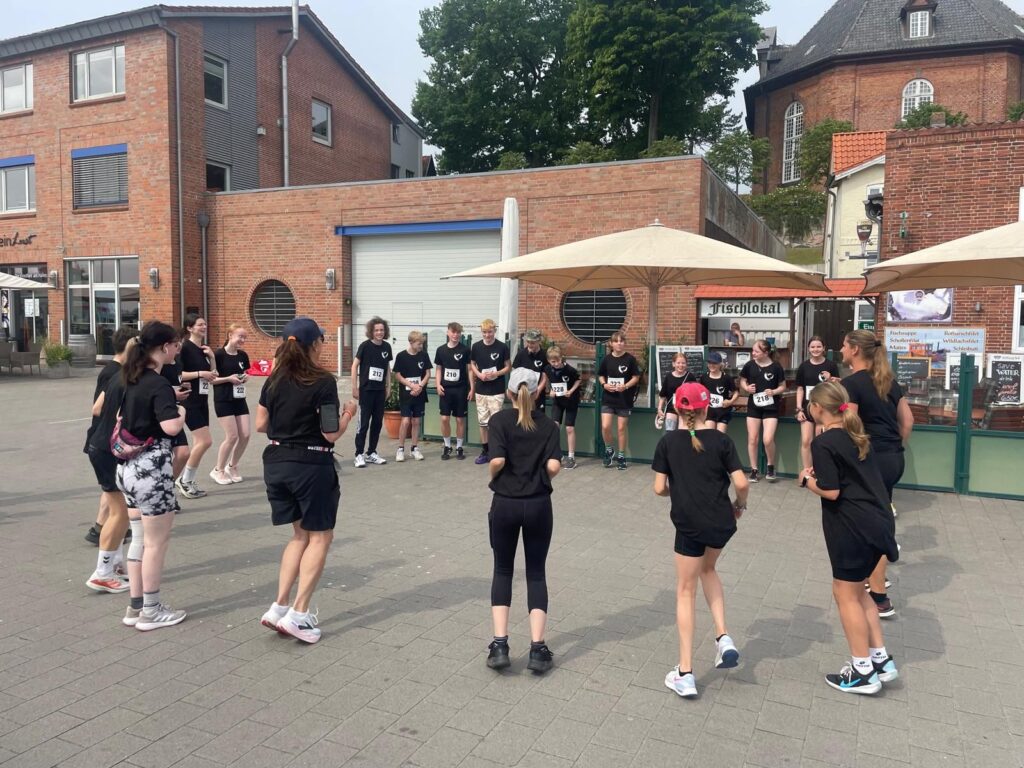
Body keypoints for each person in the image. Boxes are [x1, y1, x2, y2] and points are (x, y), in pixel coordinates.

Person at [256, 317, 357, 644]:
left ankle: (279, 606)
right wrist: (348, 414)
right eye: (321, 340)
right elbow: (330, 434)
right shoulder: (322, 381)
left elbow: (260, 424)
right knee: (320, 537)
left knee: (299, 535)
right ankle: (299, 615)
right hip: (310, 465)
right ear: (314, 344)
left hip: (276, 463)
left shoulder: (273, 380)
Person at [797, 381, 899, 694]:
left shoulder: (824, 443)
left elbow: (831, 490)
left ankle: (862, 671)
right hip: (878, 522)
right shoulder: (858, 435)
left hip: (852, 527)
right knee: (860, 592)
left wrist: (806, 481)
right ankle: (880, 660)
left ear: (817, 408)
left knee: (845, 595)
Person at [653, 382, 749, 699]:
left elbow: (659, 488)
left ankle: (685, 672)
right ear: (707, 408)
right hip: (721, 522)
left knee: (685, 591)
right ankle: (723, 636)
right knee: (709, 570)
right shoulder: (722, 440)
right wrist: (740, 505)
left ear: (677, 409)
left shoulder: (668, 442)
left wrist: (677, 490)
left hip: (689, 525)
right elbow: (741, 483)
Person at [485, 368, 562, 673]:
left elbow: (497, 460)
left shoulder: (499, 420)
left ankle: (500, 645)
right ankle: (538, 649)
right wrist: (541, 477)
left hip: (505, 503)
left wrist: (493, 476)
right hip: (538, 504)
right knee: (536, 573)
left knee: (503, 570)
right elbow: (554, 466)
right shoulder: (549, 425)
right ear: (537, 392)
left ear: (509, 393)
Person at [116, 320, 188, 631]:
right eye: (175, 345)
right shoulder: (158, 384)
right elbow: (171, 427)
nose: (177, 350)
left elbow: (121, 416)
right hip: (151, 471)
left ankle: (135, 606)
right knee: (156, 544)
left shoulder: (132, 377)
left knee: (139, 539)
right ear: (164, 347)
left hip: (127, 469)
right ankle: (151, 610)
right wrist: (180, 411)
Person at [840, 330, 913, 619]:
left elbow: (850, 426)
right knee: (880, 516)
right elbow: (907, 421)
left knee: (870, 522)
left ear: (855, 350)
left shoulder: (852, 383)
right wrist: (893, 447)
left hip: (870, 460)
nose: (841, 350)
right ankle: (875, 578)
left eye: (844, 345)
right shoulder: (889, 382)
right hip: (893, 458)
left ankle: (879, 596)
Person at [84, 326, 137, 593]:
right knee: (120, 513)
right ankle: (102, 572)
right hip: (107, 448)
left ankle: (113, 564)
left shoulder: (120, 374)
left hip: (102, 446)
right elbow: (98, 409)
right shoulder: (118, 375)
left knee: (118, 510)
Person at [175, 314, 219, 499]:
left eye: (205, 324)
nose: (204, 327)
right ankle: (184, 480)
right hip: (189, 400)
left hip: (202, 399)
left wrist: (212, 357)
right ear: (189, 328)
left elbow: (213, 375)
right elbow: (179, 374)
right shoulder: (184, 348)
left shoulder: (204, 349)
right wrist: (200, 373)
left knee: (199, 442)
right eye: (200, 324)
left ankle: (188, 480)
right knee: (205, 441)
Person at [739, 340, 786, 482]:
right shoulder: (749, 365)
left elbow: (783, 386)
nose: (753, 353)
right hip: (754, 406)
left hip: (771, 407)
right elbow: (742, 381)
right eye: (753, 350)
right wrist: (746, 388)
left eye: (756, 351)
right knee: (752, 439)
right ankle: (754, 469)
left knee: (767, 439)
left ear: (766, 353)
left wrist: (774, 391)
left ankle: (770, 466)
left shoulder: (776, 367)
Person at [211, 324, 251, 485]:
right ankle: (218, 469)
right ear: (230, 335)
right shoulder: (218, 355)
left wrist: (245, 377)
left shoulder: (243, 355)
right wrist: (228, 379)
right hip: (223, 399)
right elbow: (212, 379)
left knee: (245, 434)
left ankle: (232, 466)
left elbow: (245, 372)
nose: (243, 340)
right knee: (232, 436)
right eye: (240, 336)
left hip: (239, 399)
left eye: (244, 337)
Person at [351, 316, 393, 468]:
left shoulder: (387, 347)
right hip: (366, 391)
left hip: (379, 391)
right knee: (363, 424)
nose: (379, 332)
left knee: (377, 423)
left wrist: (389, 387)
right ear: (371, 331)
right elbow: (354, 366)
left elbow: (387, 368)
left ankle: (371, 452)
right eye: (376, 330)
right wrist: (354, 387)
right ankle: (359, 454)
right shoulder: (365, 346)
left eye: (382, 330)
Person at [796, 336, 841, 472]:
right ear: (808, 349)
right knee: (806, 441)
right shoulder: (804, 366)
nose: (815, 349)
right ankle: (807, 471)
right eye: (813, 347)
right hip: (808, 408)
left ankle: (820, 471)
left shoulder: (831, 365)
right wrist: (799, 409)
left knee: (821, 441)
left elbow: (838, 385)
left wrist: (830, 379)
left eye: (818, 347)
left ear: (823, 348)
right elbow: (800, 389)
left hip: (825, 409)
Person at [470, 318, 511, 465]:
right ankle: (485, 451)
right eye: (485, 332)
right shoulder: (476, 347)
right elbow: (472, 364)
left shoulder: (502, 347)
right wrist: (478, 374)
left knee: (496, 423)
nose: (487, 335)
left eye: (490, 332)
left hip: (497, 390)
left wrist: (496, 373)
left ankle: (497, 451)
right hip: (481, 390)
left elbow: (508, 367)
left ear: (495, 331)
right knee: (483, 422)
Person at [598, 331, 641, 470]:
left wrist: (626, 386)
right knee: (605, 426)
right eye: (616, 341)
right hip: (608, 398)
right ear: (611, 343)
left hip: (624, 399)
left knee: (621, 429)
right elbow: (600, 375)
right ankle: (609, 450)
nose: (619, 344)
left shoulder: (630, 359)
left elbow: (636, 377)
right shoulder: (606, 359)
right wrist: (604, 384)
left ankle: (622, 456)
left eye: (621, 341)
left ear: (624, 343)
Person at [434, 322, 474, 460]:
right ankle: (447, 445)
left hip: (461, 389)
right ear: (448, 332)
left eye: (458, 332)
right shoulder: (441, 350)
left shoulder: (465, 350)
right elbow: (438, 369)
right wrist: (438, 385)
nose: (455, 335)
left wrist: (472, 388)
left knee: (459, 419)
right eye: (453, 332)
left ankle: (459, 447)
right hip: (445, 389)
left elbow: (470, 370)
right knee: (444, 418)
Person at [158, 330, 192, 484]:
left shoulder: (177, 363)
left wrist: (183, 386)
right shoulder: (159, 367)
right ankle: (159, 487)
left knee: (183, 453)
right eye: (176, 344)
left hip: (175, 411)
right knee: (162, 455)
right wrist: (173, 394)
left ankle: (168, 485)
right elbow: (155, 390)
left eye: (180, 343)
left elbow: (175, 381)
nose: (179, 346)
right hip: (163, 413)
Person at [393, 331, 431, 461]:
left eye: (422, 344)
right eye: (419, 344)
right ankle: (400, 449)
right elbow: (398, 375)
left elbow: (427, 374)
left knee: (416, 421)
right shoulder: (401, 356)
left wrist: (419, 386)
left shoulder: (424, 355)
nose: (421, 346)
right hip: (406, 394)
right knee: (405, 421)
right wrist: (411, 385)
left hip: (419, 393)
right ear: (411, 342)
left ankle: (414, 448)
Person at [544, 345, 581, 469]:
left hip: (571, 401)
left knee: (569, 428)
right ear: (549, 361)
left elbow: (578, 380)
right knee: (554, 427)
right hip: (557, 402)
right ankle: (557, 454)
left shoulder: (570, 370)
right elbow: (547, 380)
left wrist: (571, 391)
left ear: (561, 358)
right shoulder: (547, 369)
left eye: (558, 360)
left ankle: (571, 457)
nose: (556, 364)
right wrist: (550, 390)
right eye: (553, 361)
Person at [657, 353, 697, 431]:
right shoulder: (668, 377)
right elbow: (663, 395)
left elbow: (695, 394)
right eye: (678, 363)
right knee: (669, 431)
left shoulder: (690, 377)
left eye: (683, 363)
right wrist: (659, 409)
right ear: (673, 364)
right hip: (671, 409)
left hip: (686, 410)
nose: (681, 365)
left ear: (686, 364)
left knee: (683, 433)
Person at [700, 351, 738, 433]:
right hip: (709, 411)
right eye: (709, 363)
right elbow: (701, 393)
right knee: (709, 434)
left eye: (714, 363)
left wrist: (730, 402)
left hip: (723, 411)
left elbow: (736, 392)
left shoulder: (726, 378)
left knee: (720, 435)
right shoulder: (704, 377)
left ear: (720, 364)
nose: (711, 365)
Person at [512, 329, 548, 412]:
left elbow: (544, 377)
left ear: (539, 341)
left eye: (532, 343)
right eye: (528, 342)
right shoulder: (521, 354)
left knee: (538, 416)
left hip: (537, 392)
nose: (529, 345)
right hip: (523, 392)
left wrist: (538, 390)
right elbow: (515, 373)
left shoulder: (544, 355)